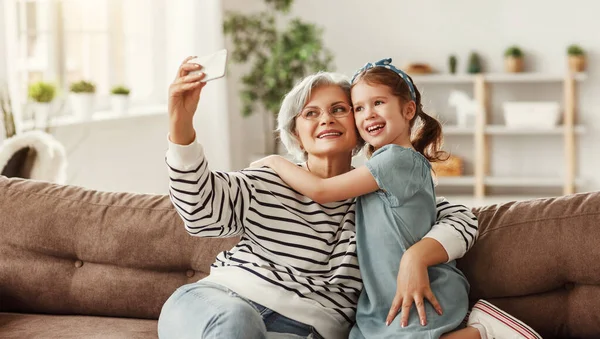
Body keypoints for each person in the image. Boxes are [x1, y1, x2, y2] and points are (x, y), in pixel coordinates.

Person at [158, 56, 478, 339]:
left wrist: (417, 256)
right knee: (238, 322)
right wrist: (181, 124)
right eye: (311, 113)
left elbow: (461, 218)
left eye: (339, 109)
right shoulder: (269, 179)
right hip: (220, 303)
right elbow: (200, 213)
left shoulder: (376, 194)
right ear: (296, 133)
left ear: (356, 126)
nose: (326, 119)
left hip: (307, 329)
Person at [250, 58, 543, 339]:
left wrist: (276, 162)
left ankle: (484, 331)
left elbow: (323, 192)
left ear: (408, 110)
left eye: (378, 102)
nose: (369, 114)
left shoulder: (397, 161)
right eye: (359, 108)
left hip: (422, 289)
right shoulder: (377, 167)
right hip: (381, 296)